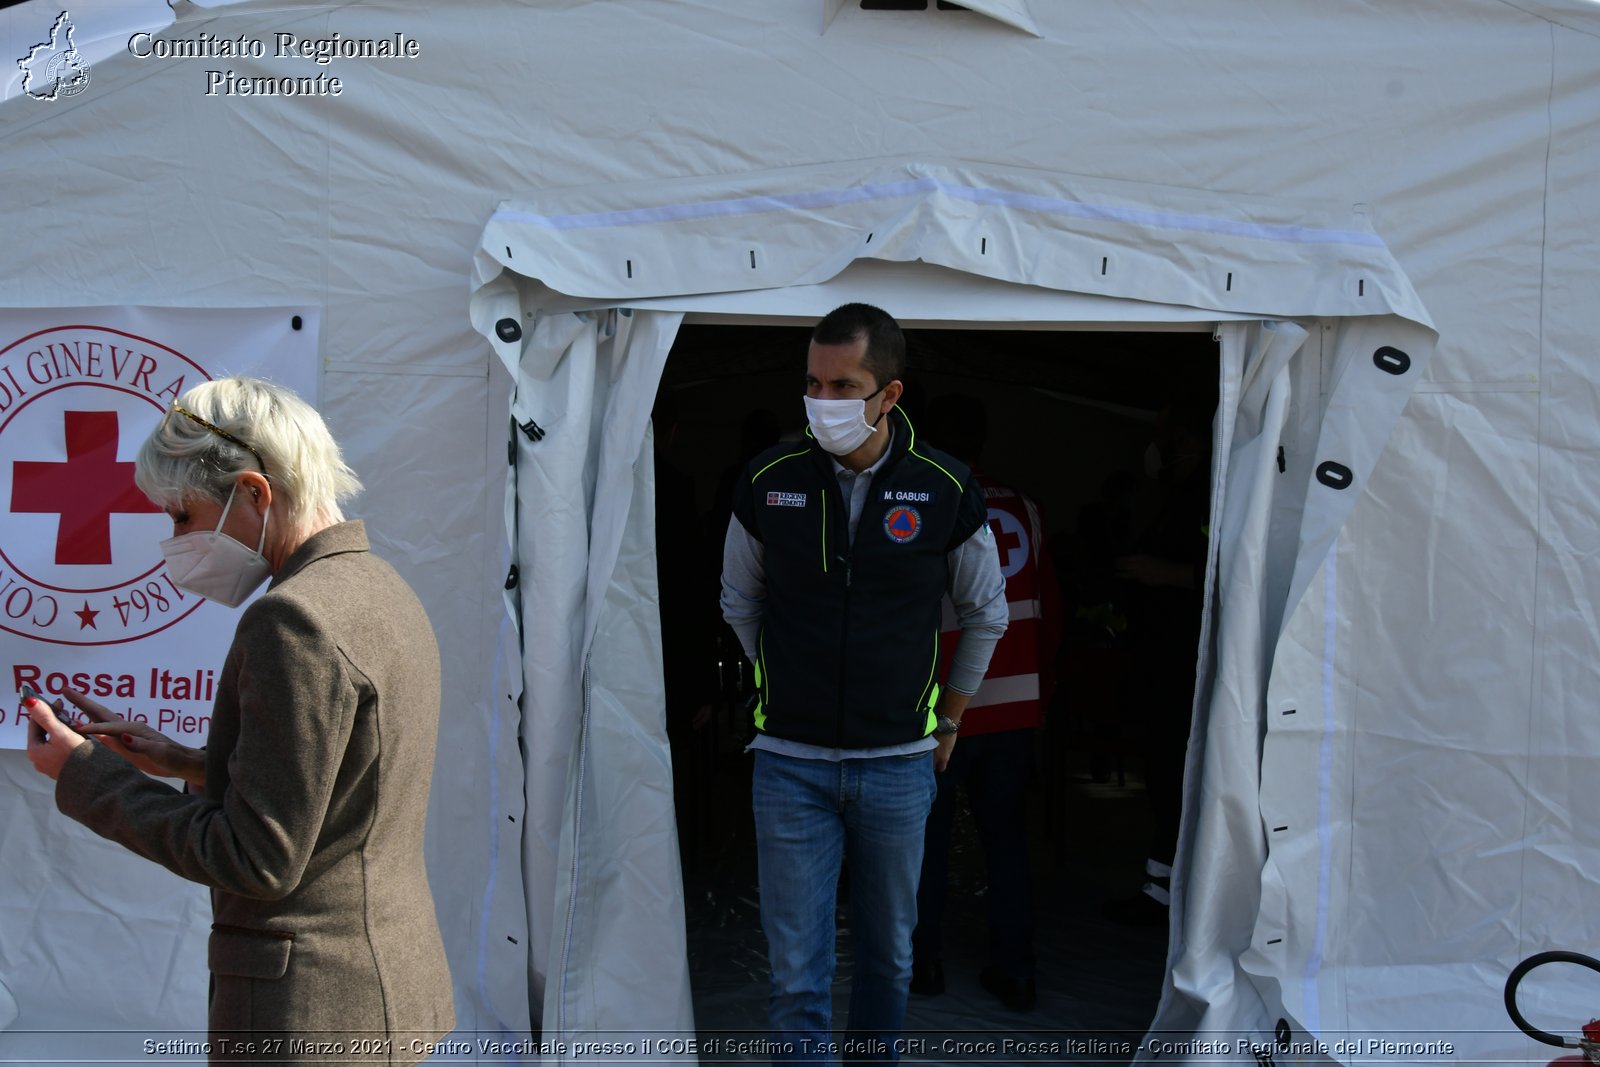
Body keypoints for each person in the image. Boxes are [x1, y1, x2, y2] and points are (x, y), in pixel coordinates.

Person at [24, 378, 454, 1063]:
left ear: (254, 493)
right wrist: (188, 760)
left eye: (183, 516)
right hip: (388, 983)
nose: (176, 539)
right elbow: (343, 783)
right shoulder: (380, 587)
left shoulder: (293, 619)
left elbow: (256, 858)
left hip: (307, 1012)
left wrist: (86, 774)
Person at [721, 304, 1007, 1063]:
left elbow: (987, 613)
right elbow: (738, 601)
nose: (825, 401)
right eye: (813, 383)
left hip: (897, 767)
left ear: (890, 394)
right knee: (796, 978)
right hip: (789, 764)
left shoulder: (945, 484)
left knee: (891, 961)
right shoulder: (767, 479)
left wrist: (948, 722)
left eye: (845, 385)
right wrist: (781, 682)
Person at [910, 393, 1060, 1012]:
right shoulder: (1023, 506)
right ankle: (1017, 969)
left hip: (945, 709)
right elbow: (1050, 612)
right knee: (1007, 842)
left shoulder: (922, 501)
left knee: (924, 841)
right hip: (1016, 707)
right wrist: (1043, 699)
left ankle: (923, 966)